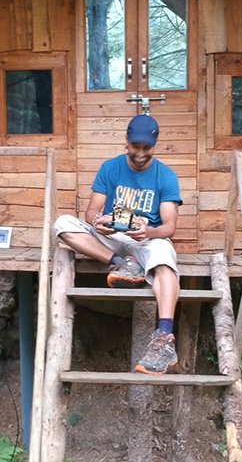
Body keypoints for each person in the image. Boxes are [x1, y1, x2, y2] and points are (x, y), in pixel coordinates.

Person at [53, 114, 182, 375]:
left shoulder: (166, 176)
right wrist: (99, 222)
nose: (141, 153)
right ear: (127, 142)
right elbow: (91, 212)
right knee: (62, 224)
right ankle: (120, 264)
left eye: (147, 148)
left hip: (146, 240)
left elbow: (169, 226)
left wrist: (150, 231)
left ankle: (164, 338)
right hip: (111, 238)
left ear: (154, 145)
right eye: (136, 146)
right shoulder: (110, 168)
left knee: (164, 260)